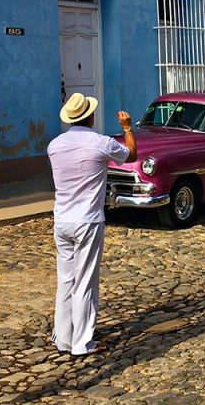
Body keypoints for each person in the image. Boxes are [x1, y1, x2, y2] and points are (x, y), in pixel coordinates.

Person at [48, 92, 137, 356]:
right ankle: (82, 342)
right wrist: (128, 128)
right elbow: (131, 155)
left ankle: (62, 337)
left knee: (66, 280)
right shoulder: (100, 143)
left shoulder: (54, 145)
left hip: (62, 219)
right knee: (85, 281)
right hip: (87, 219)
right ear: (90, 116)